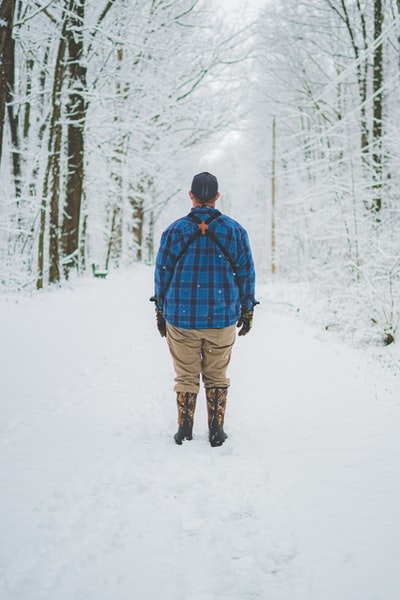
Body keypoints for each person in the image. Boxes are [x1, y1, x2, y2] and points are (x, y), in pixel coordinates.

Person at [151, 172, 258, 447]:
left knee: (185, 375)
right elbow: (246, 272)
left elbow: (163, 272)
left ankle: (184, 429)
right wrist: (247, 309)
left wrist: (160, 310)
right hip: (221, 317)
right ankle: (216, 430)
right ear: (216, 197)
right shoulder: (235, 230)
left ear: (191, 195)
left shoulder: (174, 230)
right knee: (217, 374)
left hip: (181, 316)